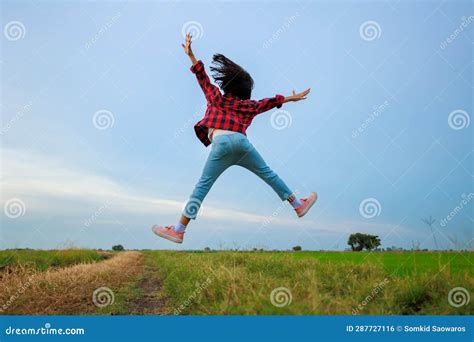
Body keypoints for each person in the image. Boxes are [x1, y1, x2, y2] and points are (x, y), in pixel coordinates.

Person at [152, 33, 317, 244]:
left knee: (202, 187)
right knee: (269, 175)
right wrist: (290, 98)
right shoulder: (248, 106)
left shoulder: (216, 98)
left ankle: (179, 230)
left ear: (227, 86)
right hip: (242, 143)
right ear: (245, 91)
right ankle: (298, 206)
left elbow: (202, 78)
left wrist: (191, 55)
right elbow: (267, 103)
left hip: (221, 143)